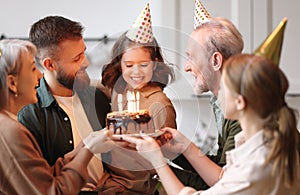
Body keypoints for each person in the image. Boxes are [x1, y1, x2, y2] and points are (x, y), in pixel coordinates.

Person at [123, 53, 300, 194]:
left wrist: (157, 161)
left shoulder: (258, 164)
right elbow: (224, 178)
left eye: (223, 88)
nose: (218, 93)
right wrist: (186, 147)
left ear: (240, 102)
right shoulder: (263, 141)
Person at [0, 39, 116, 194]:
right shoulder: (10, 131)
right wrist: (89, 150)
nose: (40, 75)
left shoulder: (8, 125)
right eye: (32, 68)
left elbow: (43, 176)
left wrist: (84, 146)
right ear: (12, 83)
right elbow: (53, 191)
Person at [100, 3, 176, 194]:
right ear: (120, 65)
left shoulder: (160, 105)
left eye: (143, 64)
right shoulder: (118, 91)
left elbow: (164, 159)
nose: (136, 72)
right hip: (108, 181)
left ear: (155, 63)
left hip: (139, 189)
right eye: (129, 65)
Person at [169, 15, 244, 190]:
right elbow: (220, 167)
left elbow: (225, 183)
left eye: (191, 57)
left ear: (216, 61)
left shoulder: (243, 110)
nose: (186, 67)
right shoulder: (221, 103)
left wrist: (157, 168)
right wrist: (175, 152)